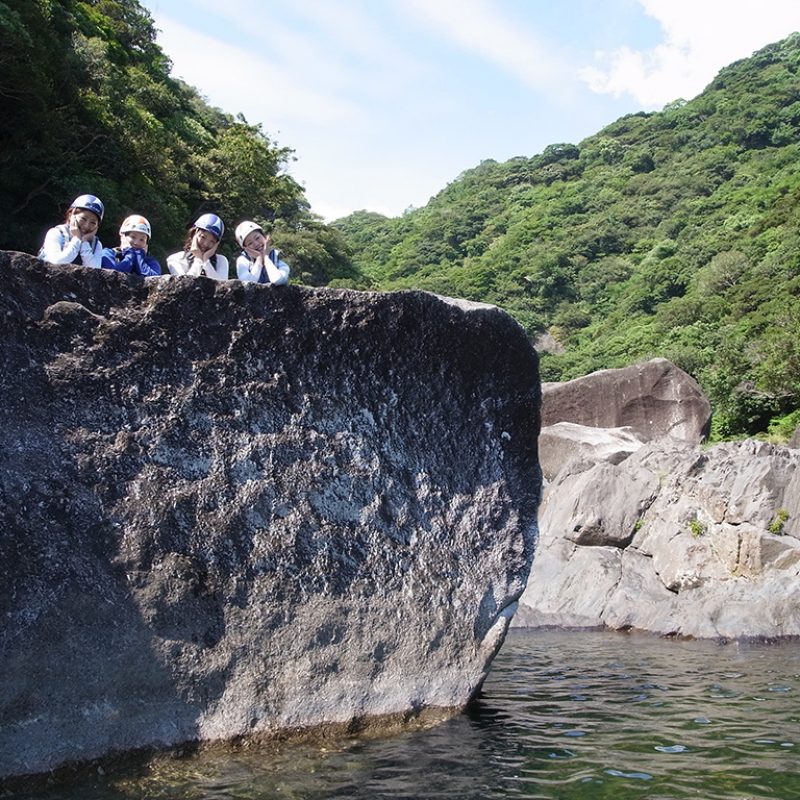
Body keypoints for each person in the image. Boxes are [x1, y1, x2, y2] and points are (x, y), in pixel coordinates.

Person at [38, 194, 105, 267]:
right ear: (72, 215)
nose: (86, 226)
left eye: (93, 223)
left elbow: (94, 271)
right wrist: (76, 239)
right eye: (83, 219)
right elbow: (56, 262)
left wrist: (84, 242)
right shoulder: (56, 233)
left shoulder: (96, 244)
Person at [166, 213, 228, 280]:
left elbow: (222, 287)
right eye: (203, 237)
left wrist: (206, 261)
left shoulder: (221, 261)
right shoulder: (175, 259)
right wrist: (198, 260)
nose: (205, 244)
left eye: (212, 241)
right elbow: (185, 285)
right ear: (194, 234)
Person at [235, 220, 290, 285]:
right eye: (250, 243)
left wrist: (266, 258)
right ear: (245, 249)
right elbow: (248, 284)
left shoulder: (277, 255)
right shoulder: (243, 260)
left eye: (257, 238)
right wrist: (259, 260)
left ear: (264, 236)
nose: (256, 244)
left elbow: (278, 280)